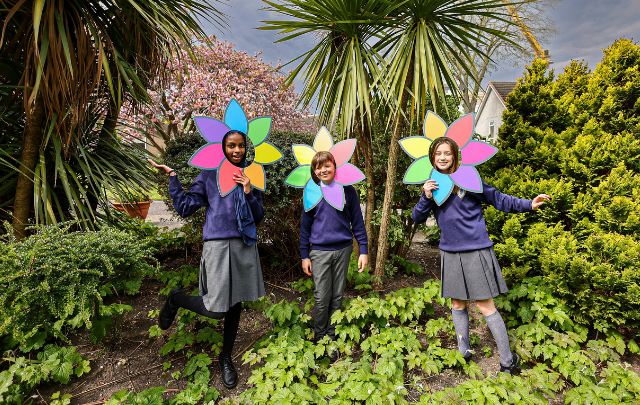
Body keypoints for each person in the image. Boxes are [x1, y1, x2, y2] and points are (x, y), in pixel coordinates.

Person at [411, 137, 549, 374]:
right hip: (450, 252)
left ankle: (508, 360)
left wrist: (528, 204)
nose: (443, 157)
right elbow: (416, 218)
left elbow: (498, 199)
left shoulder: (469, 180)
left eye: (447, 153)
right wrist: (425, 196)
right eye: (438, 153)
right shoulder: (432, 186)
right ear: (432, 157)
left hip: (476, 250)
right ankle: (463, 354)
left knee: (486, 307)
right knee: (457, 304)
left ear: (455, 156)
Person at [149, 130, 266, 389]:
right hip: (217, 246)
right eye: (231, 146)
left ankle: (226, 357)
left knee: (235, 303)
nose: (237, 151)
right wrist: (173, 177)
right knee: (216, 309)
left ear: (246, 148)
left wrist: (248, 190)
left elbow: (258, 216)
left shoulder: (251, 175)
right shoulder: (209, 175)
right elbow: (186, 207)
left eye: (241, 146)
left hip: (244, 245)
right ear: (222, 148)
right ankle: (175, 298)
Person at [300, 151, 368, 359]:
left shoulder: (348, 191)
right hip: (319, 252)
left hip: (343, 250)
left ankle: (332, 338)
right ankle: (320, 338)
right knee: (322, 297)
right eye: (318, 168)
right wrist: (305, 255)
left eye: (327, 166)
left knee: (337, 296)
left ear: (334, 166)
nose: (323, 170)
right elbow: (305, 227)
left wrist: (363, 250)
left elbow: (357, 222)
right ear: (314, 171)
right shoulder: (311, 192)